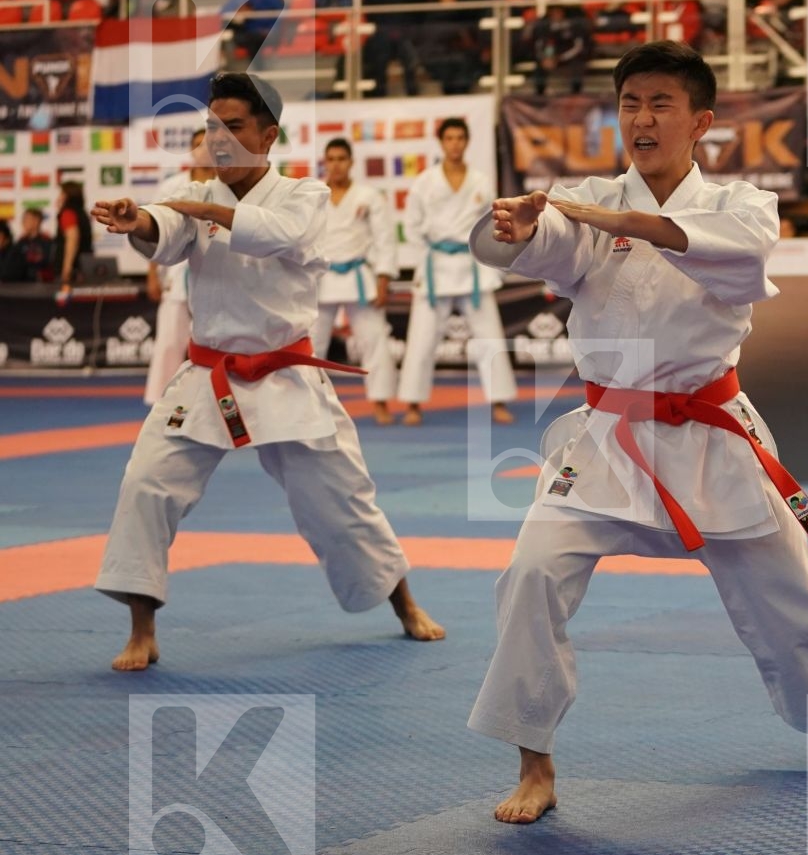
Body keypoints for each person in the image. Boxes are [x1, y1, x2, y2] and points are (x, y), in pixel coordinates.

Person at [465, 41, 808, 825]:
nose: (641, 118)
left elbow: (726, 254)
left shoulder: (744, 205)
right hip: (607, 439)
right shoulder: (584, 203)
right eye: (630, 103)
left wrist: (614, 220)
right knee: (531, 573)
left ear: (700, 122)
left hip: (713, 434)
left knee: (793, 591)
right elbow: (533, 246)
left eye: (660, 104)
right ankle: (534, 763)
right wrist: (512, 228)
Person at [89, 71, 444, 672]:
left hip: (286, 376)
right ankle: (141, 629)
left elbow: (279, 235)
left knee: (342, 499)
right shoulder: (192, 194)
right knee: (146, 484)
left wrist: (203, 208)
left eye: (233, 127)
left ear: (268, 135)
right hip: (209, 374)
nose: (218, 138)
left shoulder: (305, 196)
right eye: (211, 127)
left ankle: (404, 603)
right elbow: (164, 229)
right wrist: (139, 219)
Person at [396, 117, 517, 426]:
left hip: (471, 266)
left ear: (466, 141)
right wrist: (429, 253)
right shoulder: (425, 182)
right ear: (441, 142)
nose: (454, 144)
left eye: (460, 138)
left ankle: (499, 401)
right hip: (436, 266)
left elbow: (490, 225)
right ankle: (412, 404)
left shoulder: (480, 181)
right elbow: (411, 226)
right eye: (449, 138)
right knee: (421, 340)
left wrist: (489, 261)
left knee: (490, 337)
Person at [313, 137, 400, 423]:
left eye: (341, 159)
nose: (336, 165)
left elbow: (385, 239)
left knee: (374, 340)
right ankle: (308, 403)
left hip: (359, 277)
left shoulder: (369, 196)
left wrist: (383, 279)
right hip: (322, 278)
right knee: (311, 345)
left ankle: (380, 402)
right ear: (324, 163)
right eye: (331, 159)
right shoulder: (313, 196)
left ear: (351, 162)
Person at [143, 133, 215, 405]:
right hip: (175, 272)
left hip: (215, 273)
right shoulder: (172, 186)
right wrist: (152, 274)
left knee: (214, 342)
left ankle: (212, 400)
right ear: (190, 151)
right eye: (198, 145)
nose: (204, 150)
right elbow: (156, 232)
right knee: (170, 341)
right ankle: (160, 402)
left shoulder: (227, 185)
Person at [55, 179, 92, 297]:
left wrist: (67, 269)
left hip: (73, 273)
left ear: (67, 196)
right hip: (84, 268)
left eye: (61, 194)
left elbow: (72, 239)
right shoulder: (82, 213)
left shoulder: (68, 213)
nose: (59, 197)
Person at [1, 207, 56, 282]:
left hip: (40, 283)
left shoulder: (46, 241)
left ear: (36, 221)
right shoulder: (21, 241)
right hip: (21, 282)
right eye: (23, 219)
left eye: (27, 219)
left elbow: (45, 262)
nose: (23, 222)